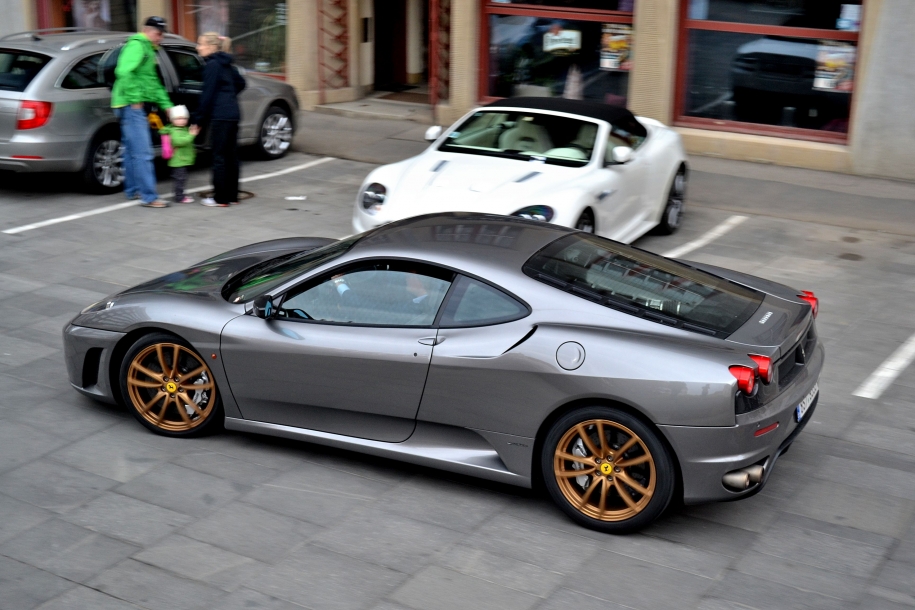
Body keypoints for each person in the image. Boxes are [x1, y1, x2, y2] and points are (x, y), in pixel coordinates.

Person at [111, 16, 174, 208]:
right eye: (158, 33)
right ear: (146, 30)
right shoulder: (138, 45)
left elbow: (152, 82)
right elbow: (123, 72)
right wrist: (135, 100)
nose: (160, 38)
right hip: (131, 106)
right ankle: (149, 197)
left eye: (162, 34)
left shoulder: (148, 48)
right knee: (143, 152)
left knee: (131, 151)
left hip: (125, 104)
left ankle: (133, 191)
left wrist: (166, 104)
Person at [192, 32, 246, 207]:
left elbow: (207, 95)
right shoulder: (226, 63)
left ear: (211, 46)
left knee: (219, 157)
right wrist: (228, 96)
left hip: (220, 116)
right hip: (233, 114)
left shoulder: (212, 65)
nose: (197, 48)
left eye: (200, 44)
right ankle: (232, 196)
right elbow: (241, 83)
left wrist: (198, 120)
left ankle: (220, 199)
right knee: (231, 156)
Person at [158, 105, 200, 203]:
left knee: (181, 179)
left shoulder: (182, 129)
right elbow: (179, 142)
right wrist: (191, 135)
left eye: (185, 118)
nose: (182, 120)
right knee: (180, 179)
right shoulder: (175, 130)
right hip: (178, 160)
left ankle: (180, 194)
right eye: (179, 118)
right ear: (172, 119)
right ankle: (179, 197)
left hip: (181, 159)